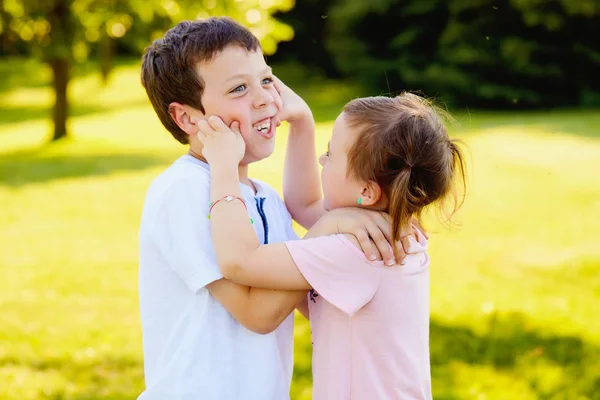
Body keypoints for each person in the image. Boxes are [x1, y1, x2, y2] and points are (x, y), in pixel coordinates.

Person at [137, 17, 398, 399]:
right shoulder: (182, 192)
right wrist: (329, 229)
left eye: (266, 80)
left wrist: (303, 121)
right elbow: (257, 314)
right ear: (188, 118)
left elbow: (310, 302)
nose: (263, 98)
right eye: (239, 88)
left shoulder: (265, 197)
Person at [197, 92, 467, 399]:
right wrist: (301, 122)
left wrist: (223, 167)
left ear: (366, 191)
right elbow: (304, 203)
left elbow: (239, 261)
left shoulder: (357, 251)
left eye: (331, 154)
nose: (322, 159)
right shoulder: (391, 228)